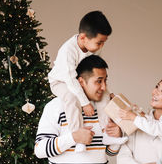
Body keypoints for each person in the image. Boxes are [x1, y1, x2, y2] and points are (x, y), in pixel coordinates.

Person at [48, 10, 128, 153]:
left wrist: (107, 92)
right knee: (71, 98)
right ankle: (78, 135)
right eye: (99, 42)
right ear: (83, 37)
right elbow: (71, 81)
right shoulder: (68, 51)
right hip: (61, 82)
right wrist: (85, 103)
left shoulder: (93, 49)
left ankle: (106, 133)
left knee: (104, 95)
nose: (101, 46)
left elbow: (95, 70)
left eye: (104, 42)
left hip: (81, 81)